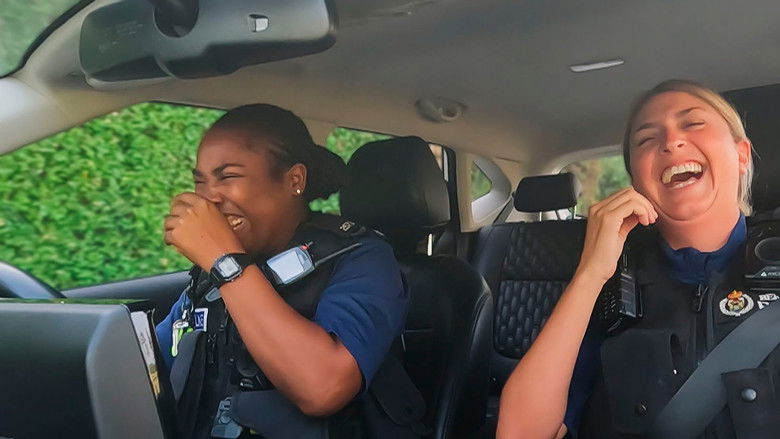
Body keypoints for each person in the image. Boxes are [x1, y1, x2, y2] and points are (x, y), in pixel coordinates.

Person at [496, 80, 770, 438]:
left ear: (742, 154)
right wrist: (591, 273)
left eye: (692, 123)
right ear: (637, 181)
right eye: (646, 139)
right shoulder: (610, 292)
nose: (670, 141)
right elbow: (519, 433)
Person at [154, 103, 408, 438]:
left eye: (228, 177)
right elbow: (150, 366)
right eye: (200, 182)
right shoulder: (209, 276)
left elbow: (324, 388)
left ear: (294, 180)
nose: (207, 199)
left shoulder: (362, 259)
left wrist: (223, 261)